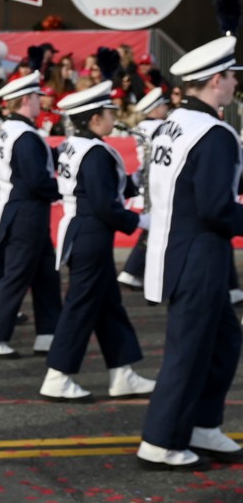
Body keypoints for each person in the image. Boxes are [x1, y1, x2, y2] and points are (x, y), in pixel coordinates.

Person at [138, 36, 243, 469]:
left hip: (177, 247)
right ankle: (160, 441)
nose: (236, 84)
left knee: (222, 342)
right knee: (190, 349)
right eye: (233, 76)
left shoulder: (174, 123)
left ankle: (201, 425)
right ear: (217, 80)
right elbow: (216, 207)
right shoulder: (214, 133)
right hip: (199, 253)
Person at [43, 81, 154, 401]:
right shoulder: (94, 153)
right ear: (94, 119)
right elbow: (105, 204)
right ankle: (57, 376)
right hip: (90, 232)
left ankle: (123, 373)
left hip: (84, 231)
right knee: (81, 305)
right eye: (109, 112)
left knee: (108, 306)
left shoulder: (76, 145)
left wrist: (137, 178)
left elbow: (100, 190)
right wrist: (139, 220)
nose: (114, 117)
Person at [0, 72, 62, 358]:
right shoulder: (23, 135)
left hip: (21, 212)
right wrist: (66, 189)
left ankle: (49, 333)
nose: (40, 101)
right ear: (26, 99)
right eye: (37, 96)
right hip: (26, 215)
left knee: (47, 274)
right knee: (17, 277)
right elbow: (36, 180)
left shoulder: (11, 130)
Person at [118, 87, 169, 290]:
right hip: (158, 183)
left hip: (148, 182)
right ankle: (133, 270)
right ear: (155, 108)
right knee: (157, 227)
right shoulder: (159, 127)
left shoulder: (142, 127)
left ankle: (135, 271)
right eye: (164, 105)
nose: (167, 108)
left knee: (158, 227)